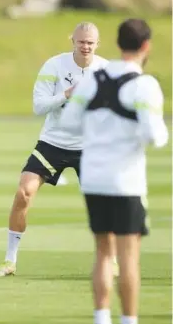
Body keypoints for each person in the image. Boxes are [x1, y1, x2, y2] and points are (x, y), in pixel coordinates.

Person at [59, 19, 168, 324]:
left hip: (93, 178)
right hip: (125, 181)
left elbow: (69, 122)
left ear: (118, 44)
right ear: (146, 46)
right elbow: (155, 137)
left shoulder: (93, 78)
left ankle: (101, 317)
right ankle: (129, 320)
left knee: (103, 253)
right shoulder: (145, 84)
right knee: (128, 257)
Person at [0, 22, 111, 277]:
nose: (86, 46)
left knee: (103, 204)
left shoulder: (106, 70)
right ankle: (10, 260)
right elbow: (38, 106)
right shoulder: (54, 65)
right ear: (73, 41)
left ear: (97, 44)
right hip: (53, 143)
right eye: (81, 42)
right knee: (24, 193)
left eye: (90, 42)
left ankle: (109, 259)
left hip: (89, 147)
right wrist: (67, 94)